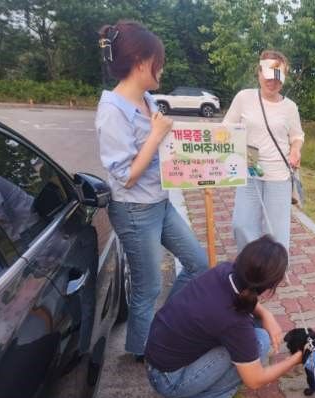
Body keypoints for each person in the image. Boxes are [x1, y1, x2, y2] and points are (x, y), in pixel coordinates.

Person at [95, 21, 208, 360]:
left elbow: (162, 148)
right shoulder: (112, 111)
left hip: (160, 201)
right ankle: (143, 350)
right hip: (134, 209)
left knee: (198, 264)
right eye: (159, 60)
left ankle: (164, 325)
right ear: (142, 61)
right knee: (148, 287)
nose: (162, 67)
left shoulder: (146, 99)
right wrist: (157, 136)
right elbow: (125, 176)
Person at [144, 235, 303, 398]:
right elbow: (255, 380)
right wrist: (296, 359)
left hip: (158, 354)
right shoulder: (235, 322)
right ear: (269, 288)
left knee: (256, 330)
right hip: (168, 380)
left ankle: (201, 388)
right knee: (260, 341)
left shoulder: (224, 271)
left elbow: (245, 301)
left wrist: (266, 314)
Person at [223, 50, 304, 253]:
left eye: (277, 78)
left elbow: (297, 136)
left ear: (283, 78)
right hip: (249, 172)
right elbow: (226, 128)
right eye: (268, 75)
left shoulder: (290, 107)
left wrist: (295, 150)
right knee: (241, 225)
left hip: (279, 175)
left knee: (276, 231)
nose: (272, 82)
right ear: (259, 73)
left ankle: (274, 272)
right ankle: (252, 266)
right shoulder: (244, 98)